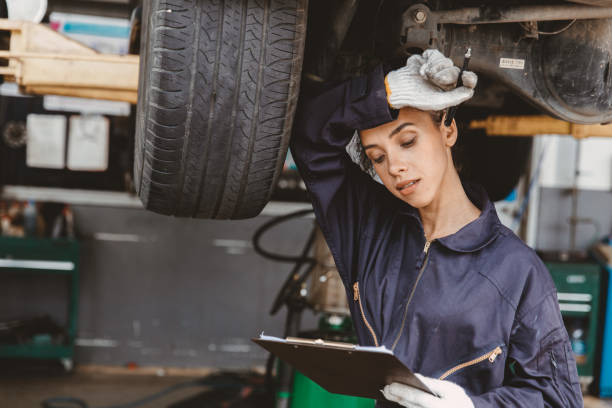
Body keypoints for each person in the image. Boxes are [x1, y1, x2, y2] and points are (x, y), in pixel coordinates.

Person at [290, 49, 583, 408]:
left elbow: (560, 399)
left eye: (407, 141)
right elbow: (306, 133)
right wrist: (384, 92)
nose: (394, 166)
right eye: (377, 157)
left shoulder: (516, 270)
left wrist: (471, 407)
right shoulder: (368, 226)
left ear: (448, 130)